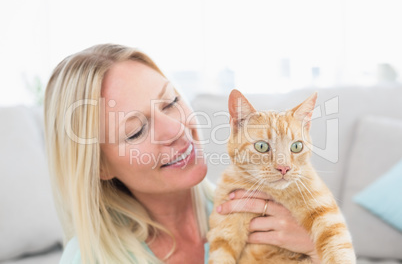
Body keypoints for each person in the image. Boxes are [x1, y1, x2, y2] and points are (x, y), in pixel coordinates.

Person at [44, 44, 321, 264]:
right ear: (100, 167)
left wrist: (319, 253)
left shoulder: (272, 215)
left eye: (170, 102)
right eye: (136, 131)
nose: (176, 129)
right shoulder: (88, 258)